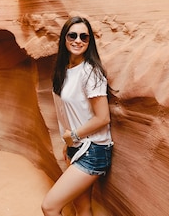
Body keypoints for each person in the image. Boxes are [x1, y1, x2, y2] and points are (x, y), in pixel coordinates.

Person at [41, 16, 113, 216]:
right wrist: (69, 142)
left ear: (89, 42)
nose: (78, 40)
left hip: (93, 151)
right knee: (82, 208)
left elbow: (103, 118)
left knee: (50, 206)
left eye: (84, 37)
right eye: (72, 35)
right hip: (77, 146)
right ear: (64, 38)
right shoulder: (65, 71)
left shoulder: (91, 73)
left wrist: (72, 135)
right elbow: (70, 113)